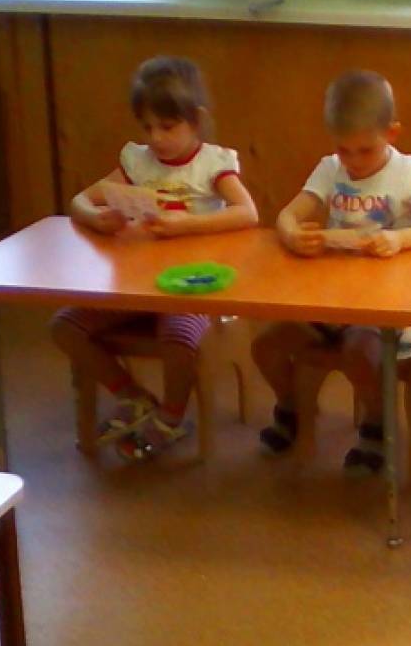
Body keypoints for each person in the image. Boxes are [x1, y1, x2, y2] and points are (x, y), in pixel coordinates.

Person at [50, 55, 258, 461]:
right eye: (147, 127)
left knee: (179, 338)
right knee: (65, 327)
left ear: (196, 120)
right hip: (135, 285)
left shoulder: (213, 164)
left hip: (190, 287)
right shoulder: (138, 161)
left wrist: (186, 225)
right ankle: (133, 396)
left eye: (168, 126)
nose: (157, 138)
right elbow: (79, 201)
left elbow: (248, 213)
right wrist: (97, 217)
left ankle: (172, 417)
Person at [251, 69, 411, 475]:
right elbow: (289, 215)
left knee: (360, 353)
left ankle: (376, 425)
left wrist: (399, 239)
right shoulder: (330, 169)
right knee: (266, 347)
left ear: (391, 133)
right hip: (330, 301)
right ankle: (292, 408)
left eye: (365, 150)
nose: (353, 161)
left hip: (386, 306)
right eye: (344, 150)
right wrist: (292, 234)